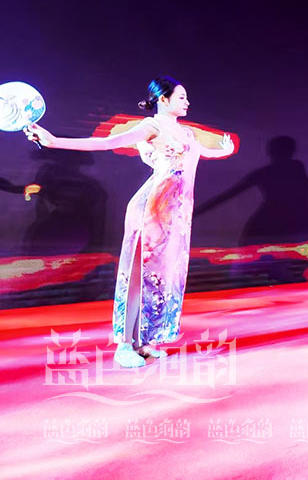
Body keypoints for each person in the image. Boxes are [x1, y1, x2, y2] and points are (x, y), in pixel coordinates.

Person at [25, 77, 234, 368]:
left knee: (162, 277)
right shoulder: (151, 126)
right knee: (136, 275)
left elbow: (203, 153)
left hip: (176, 213)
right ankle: (124, 345)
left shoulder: (186, 132)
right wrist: (55, 141)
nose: (187, 102)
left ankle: (144, 341)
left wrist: (224, 150)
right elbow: (107, 143)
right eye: (182, 97)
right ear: (163, 99)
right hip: (151, 207)